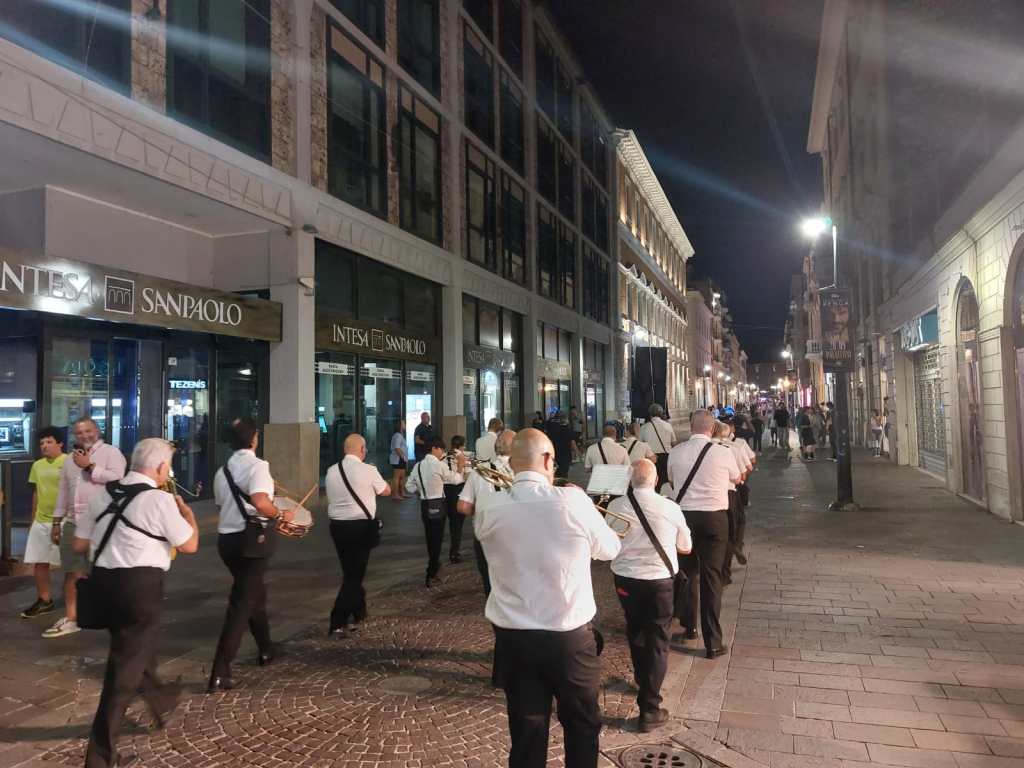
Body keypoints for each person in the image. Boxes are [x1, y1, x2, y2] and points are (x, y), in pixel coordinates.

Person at [476, 428, 620, 768]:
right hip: (568, 640)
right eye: (553, 461)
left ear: (511, 462)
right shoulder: (571, 501)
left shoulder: (489, 506)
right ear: (545, 459)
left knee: (526, 734)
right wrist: (584, 503)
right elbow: (610, 548)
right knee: (582, 726)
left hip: (513, 641)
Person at [74, 438, 199, 768]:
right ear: (159, 468)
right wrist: (188, 516)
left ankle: (161, 702)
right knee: (121, 673)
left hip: (104, 586)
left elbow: (78, 543)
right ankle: (100, 757)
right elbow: (189, 546)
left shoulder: (104, 494)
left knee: (134, 649)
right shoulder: (160, 500)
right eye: (167, 467)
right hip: (138, 590)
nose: (167, 473)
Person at [209, 418, 294, 692]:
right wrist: (281, 514)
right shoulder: (259, 466)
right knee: (241, 604)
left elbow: (222, 503)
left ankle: (266, 649)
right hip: (252, 543)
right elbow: (260, 501)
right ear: (254, 439)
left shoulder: (223, 470)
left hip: (228, 541)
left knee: (254, 595)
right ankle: (220, 670)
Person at [607, 459, 691, 732]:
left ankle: (644, 680)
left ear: (630, 481)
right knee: (657, 640)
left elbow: (609, 541)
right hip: (659, 581)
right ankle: (650, 707)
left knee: (635, 631)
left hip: (626, 581)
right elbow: (685, 547)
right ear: (655, 481)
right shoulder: (670, 507)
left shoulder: (615, 506)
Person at [668, 410, 740, 657]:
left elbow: (670, 479)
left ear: (691, 427)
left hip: (685, 517)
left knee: (687, 573)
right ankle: (713, 642)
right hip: (714, 518)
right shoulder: (723, 452)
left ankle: (690, 627)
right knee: (711, 576)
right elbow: (737, 477)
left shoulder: (676, 453)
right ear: (712, 429)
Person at [47, 417, 127, 639]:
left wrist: (90, 466)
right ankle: (73, 618)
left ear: (97, 430)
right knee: (73, 571)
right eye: (79, 433)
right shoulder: (69, 460)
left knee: (107, 571)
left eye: (88, 431)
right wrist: (57, 521)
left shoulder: (111, 452)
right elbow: (63, 491)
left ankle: (113, 614)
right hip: (74, 522)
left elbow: (118, 480)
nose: (84, 436)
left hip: (104, 521)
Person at [325, 433, 391, 637]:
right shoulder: (369, 470)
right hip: (360, 527)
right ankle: (338, 620)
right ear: (362, 450)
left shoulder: (331, 471)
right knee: (354, 576)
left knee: (350, 570)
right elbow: (386, 491)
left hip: (337, 526)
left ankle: (359, 610)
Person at [458, 429, 516, 597]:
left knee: (488, 577)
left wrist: (483, 507)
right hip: (514, 532)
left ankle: (494, 605)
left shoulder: (480, 471)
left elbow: (462, 507)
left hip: (485, 532)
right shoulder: (522, 471)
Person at [20, 427, 67, 618]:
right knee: (40, 563)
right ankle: (44, 600)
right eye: (41, 443)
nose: (44, 446)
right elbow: (36, 493)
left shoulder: (69, 462)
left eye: (49, 442)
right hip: (41, 521)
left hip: (64, 521)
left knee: (71, 565)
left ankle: (79, 603)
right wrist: (33, 520)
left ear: (59, 444)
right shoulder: (37, 466)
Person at [406, 437, 464, 586]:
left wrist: (420, 490)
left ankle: (434, 566)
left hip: (425, 504)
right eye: (441, 450)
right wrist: (461, 466)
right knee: (437, 539)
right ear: (434, 449)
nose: (442, 453)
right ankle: (431, 571)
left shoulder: (418, 465)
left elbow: (409, 487)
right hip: (438, 503)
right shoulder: (438, 465)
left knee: (430, 538)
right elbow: (456, 479)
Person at [719, 422, 752, 585]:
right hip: (729, 492)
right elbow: (741, 475)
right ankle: (735, 546)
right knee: (734, 524)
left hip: (697, 500)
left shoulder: (683, 451)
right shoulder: (733, 448)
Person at [443, 436, 468, 563]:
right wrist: (461, 465)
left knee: (450, 522)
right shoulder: (461, 456)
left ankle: (452, 551)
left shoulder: (444, 456)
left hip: (445, 491)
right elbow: (461, 476)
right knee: (457, 524)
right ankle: (454, 552)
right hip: (457, 490)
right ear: (461, 445)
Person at [640, 404, 675, 489]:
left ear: (650, 415)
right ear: (661, 414)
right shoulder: (668, 426)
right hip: (666, 457)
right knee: (665, 484)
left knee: (652, 482)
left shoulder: (644, 427)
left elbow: (640, 444)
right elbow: (674, 443)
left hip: (652, 459)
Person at [546, 412, 576, 479]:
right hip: (566, 455)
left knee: (556, 472)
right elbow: (572, 443)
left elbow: (549, 441)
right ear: (566, 420)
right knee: (564, 473)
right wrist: (576, 453)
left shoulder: (553, 430)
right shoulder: (568, 430)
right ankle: (563, 485)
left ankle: (557, 484)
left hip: (556, 454)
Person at [389, 420, 409, 500]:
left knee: (402, 477)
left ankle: (402, 492)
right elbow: (397, 448)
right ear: (400, 425)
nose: (405, 424)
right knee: (397, 477)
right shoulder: (397, 435)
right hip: (398, 459)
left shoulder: (400, 435)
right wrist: (403, 457)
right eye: (403, 423)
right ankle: (395, 494)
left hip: (401, 459)